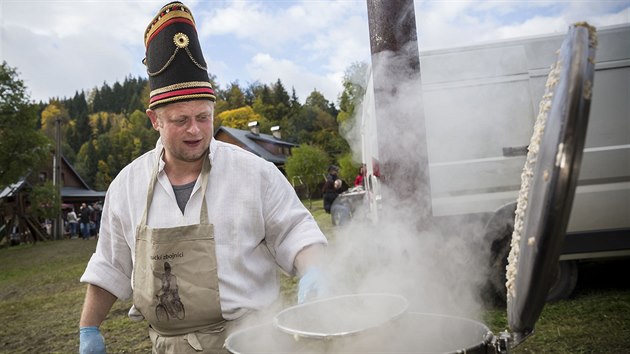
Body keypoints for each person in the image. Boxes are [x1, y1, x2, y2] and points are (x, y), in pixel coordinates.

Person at [78, 2, 327, 353]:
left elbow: (297, 232)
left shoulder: (254, 173)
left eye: (204, 117)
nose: (195, 130)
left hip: (253, 341)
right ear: (155, 120)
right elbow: (110, 265)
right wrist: (89, 329)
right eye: (181, 120)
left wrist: (315, 270)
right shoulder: (126, 186)